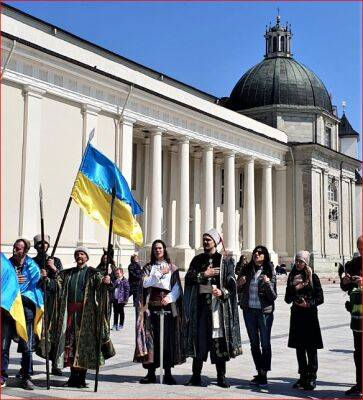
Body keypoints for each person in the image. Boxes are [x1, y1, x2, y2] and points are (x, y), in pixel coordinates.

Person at [42, 246, 114, 388]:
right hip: (69, 314)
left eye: (82, 254)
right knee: (70, 346)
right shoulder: (68, 274)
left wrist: (107, 282)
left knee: (84, 346)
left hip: (86, 315)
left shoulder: (93, 273)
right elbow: (56, 286)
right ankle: (72, 378)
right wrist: (46, 278)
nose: (79, 256)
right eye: (77, 254)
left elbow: (103, 288)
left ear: (87, 257)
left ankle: (81, 378)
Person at [184, 229, 242, 388]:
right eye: (203, 239)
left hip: (218, 309)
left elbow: (232, 284)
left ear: (215, 242)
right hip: (201, 307)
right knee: (199, 340)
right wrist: (204, 274)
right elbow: (189, 278)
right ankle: (196, 376)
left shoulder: (225, 261)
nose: (205, 242)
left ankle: (221, 377)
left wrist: (222, 292)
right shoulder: (197, 260)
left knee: (218, 340)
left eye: (208, 240)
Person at [134, 240, 185, 385]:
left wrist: (169, 298)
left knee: (167, 340)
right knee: (151, 341)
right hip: (151, 309)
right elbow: (145, 283)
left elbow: (176, 288)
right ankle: (151, 373)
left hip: (167, 308)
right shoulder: (148, 267)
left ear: (164, 249)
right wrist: (158, 274)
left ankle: (168, 373)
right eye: (155, 248)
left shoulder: (173, 268)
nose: (158, 250)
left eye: (160, 248)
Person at [6, 238, 44, 390]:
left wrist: (44, 277)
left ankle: (26, 376)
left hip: (25, 309)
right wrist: (13, 280)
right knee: (4, 345)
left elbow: (33, 284)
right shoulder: (7, 264)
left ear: (26, 251)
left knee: (27, 346)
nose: (15, 250)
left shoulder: (32, 266)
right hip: (9, 309)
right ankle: (2, 375)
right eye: (14, 247)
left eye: (19, 248)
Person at [237, 245, 277, 386]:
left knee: (265, 344)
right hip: (249, 311)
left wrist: (266, 283)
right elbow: (238, 289)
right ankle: (259, 371)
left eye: (260, 253)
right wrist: (239, 284)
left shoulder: (269, 271)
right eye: (255, 252)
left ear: (265, 256)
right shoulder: (247, 270)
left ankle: (264, 374)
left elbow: (273, 296)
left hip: (264, 312)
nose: (256, 254)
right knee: (254, 344)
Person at [284, 251, 324, 391]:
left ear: (306, 262)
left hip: (310, 316)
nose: (299, 263)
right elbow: (287, 299)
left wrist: (308, 303)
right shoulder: (292, 276)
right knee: (300, 348)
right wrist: (295, 288)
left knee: (311, 348)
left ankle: (312, 377)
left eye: (301, 261)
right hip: (297, 316)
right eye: (297, 261)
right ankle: (302, 376)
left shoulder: (313, 277)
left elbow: (320, 298)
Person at [32, 233, 63, 376]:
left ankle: (55, 365)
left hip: (52, 302)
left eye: (45, 243)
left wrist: (53, 269)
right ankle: (27, 365)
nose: (42, 245)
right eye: (39, 243)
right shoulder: (31, 262)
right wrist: (40, 276)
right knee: (34, 332)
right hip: (36, 301)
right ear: (35, 246)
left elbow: (62, 282)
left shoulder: (55, 261)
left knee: (53, 333)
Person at [340, 235, 363, 397]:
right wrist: (346, 281)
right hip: (357, 313)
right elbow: (343, 286)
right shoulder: (355, 264)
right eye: (360, 248)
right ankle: (360, 384)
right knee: (358, 351)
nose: (361, 251)